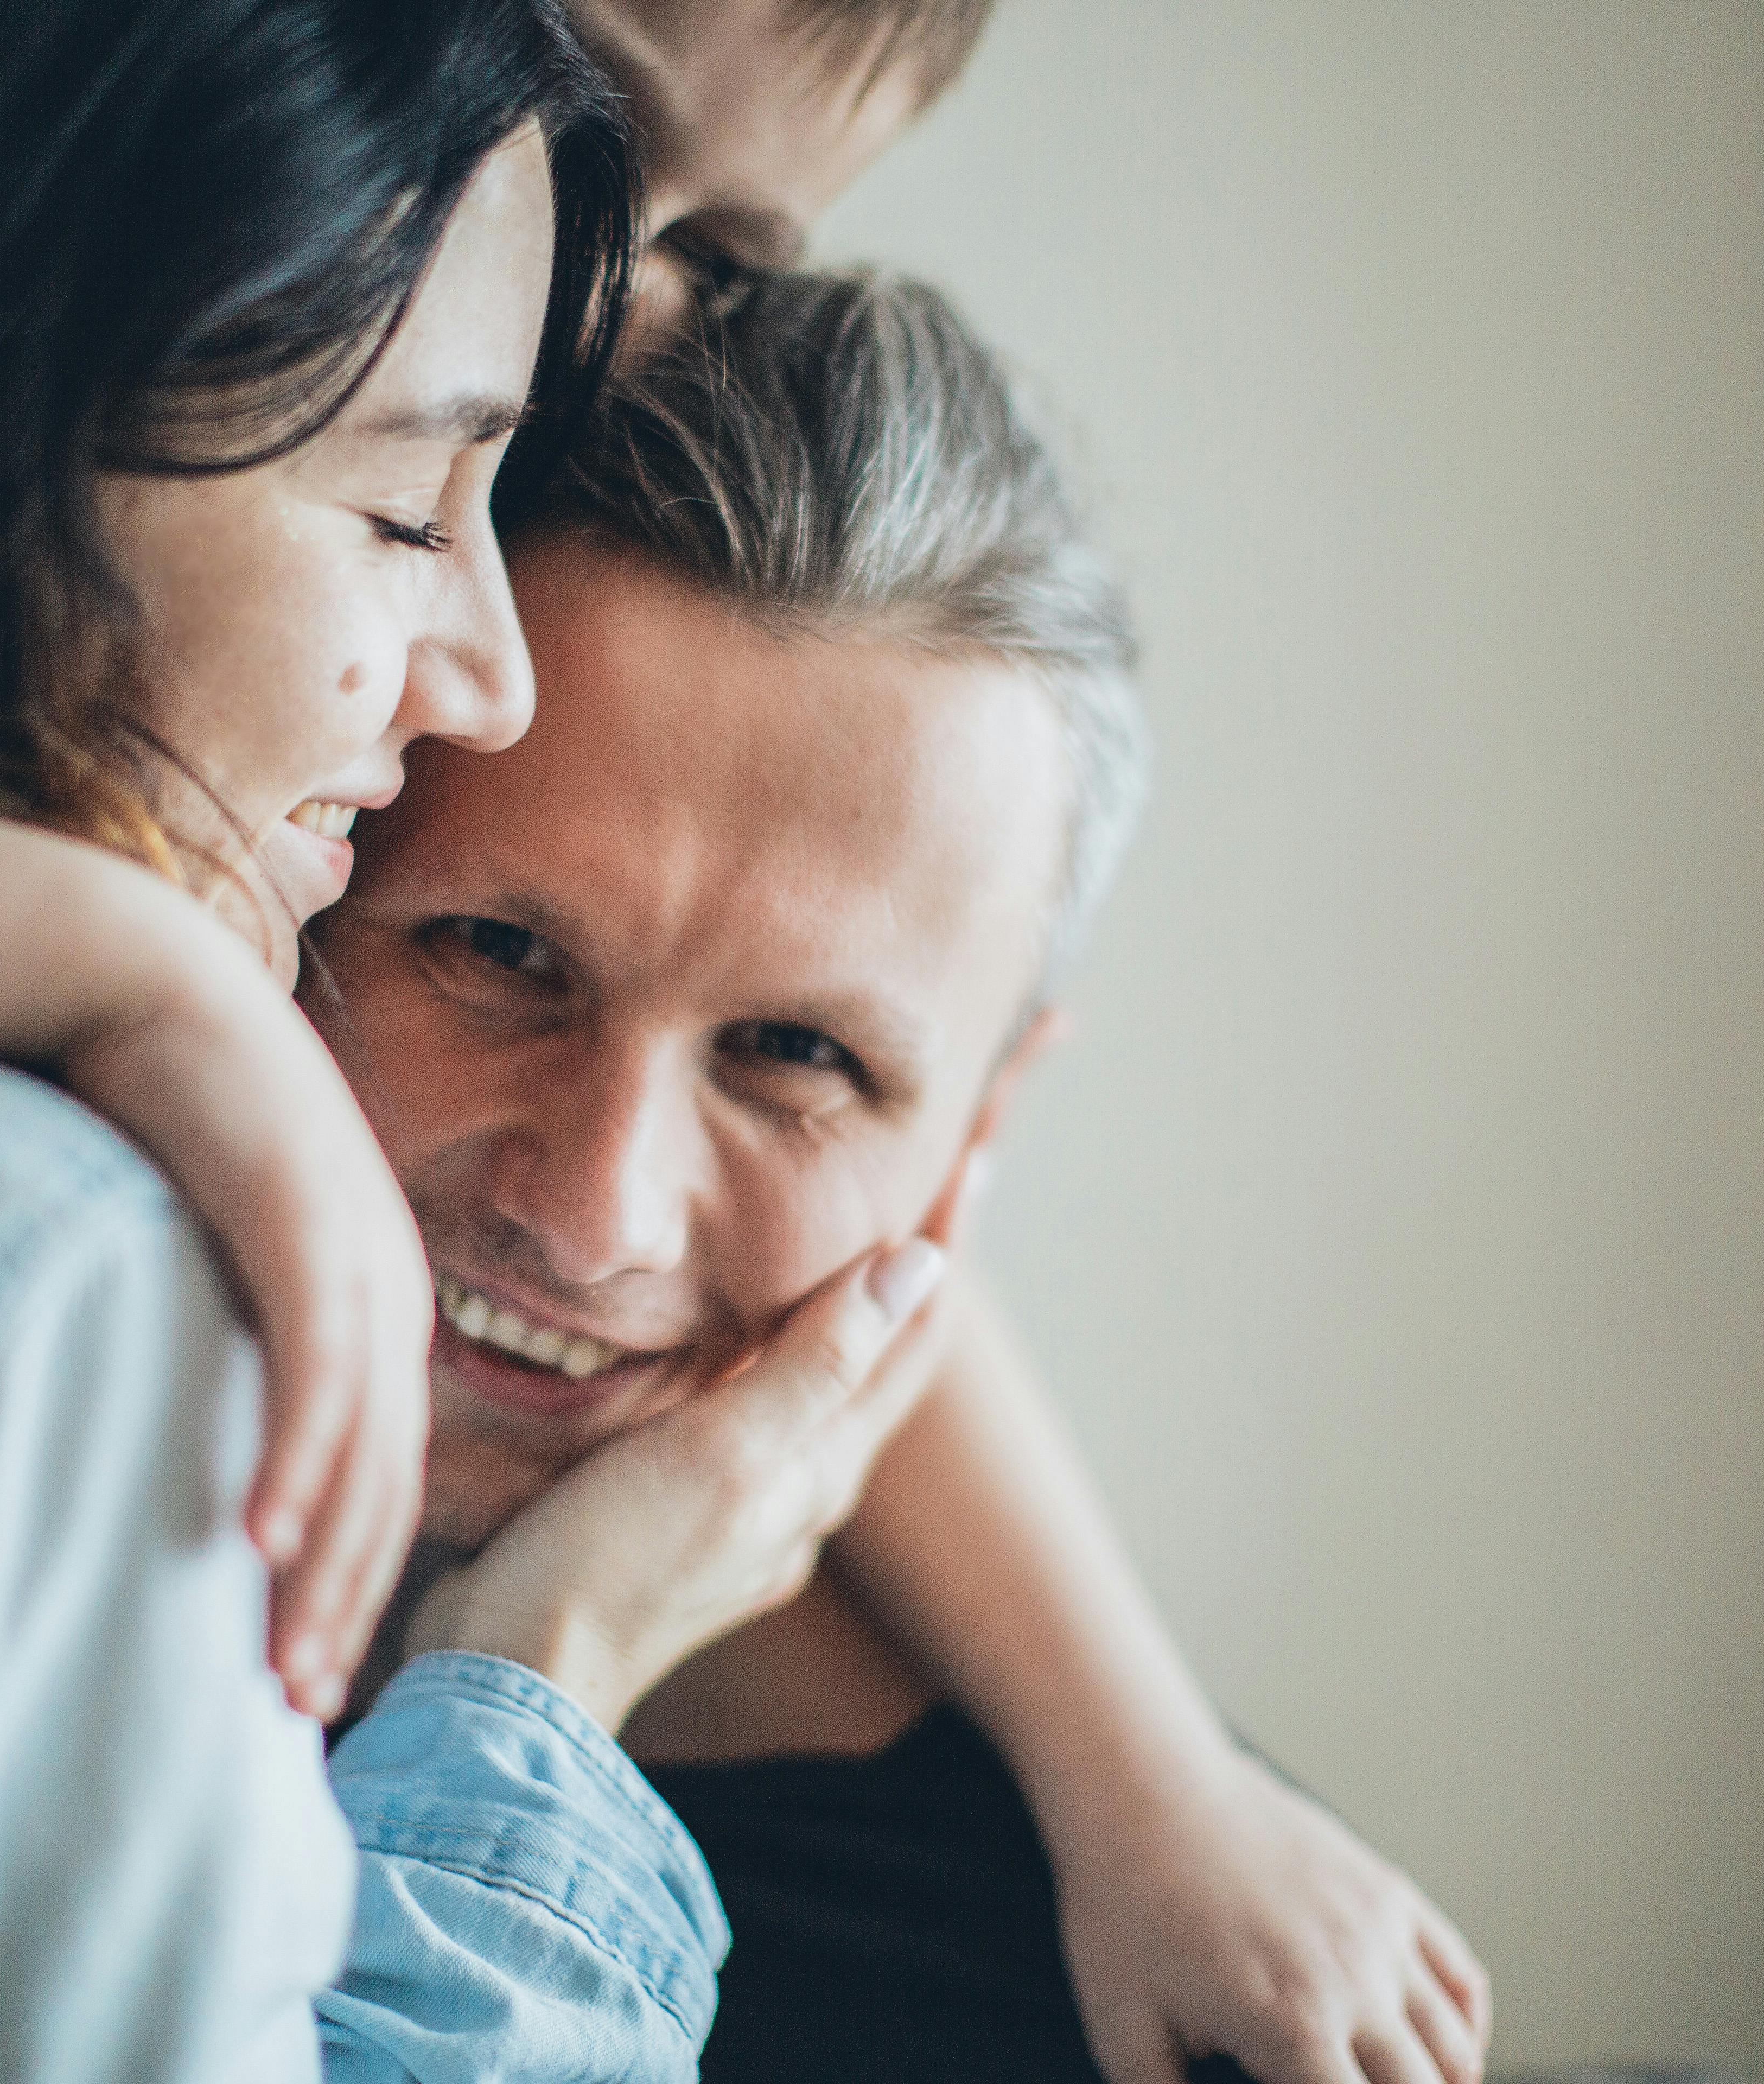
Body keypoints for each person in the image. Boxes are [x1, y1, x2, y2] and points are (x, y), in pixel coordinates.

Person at [0, 3, 1494, 2080]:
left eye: (717, 246)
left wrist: (1149, 1776)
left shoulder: (411, 535)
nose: (611, 296)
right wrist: (110, 962)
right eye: (485, 953)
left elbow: (852, 1232)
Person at [316, 268, 1492, 2084]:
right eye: (496, 952)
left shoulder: (1133, 1996)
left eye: (798, 1059)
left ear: (978, 1136)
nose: (595, 1212)